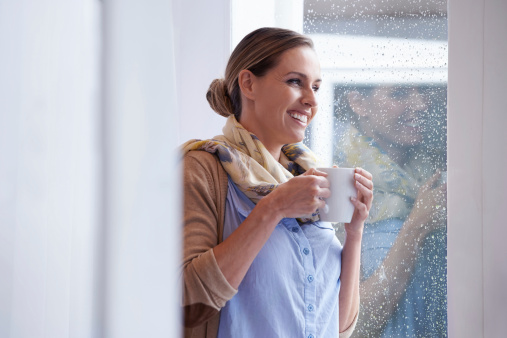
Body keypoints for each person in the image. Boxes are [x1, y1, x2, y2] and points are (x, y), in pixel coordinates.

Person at [180, 27, 374, 338]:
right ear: (248, 83)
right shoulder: (202, 169)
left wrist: (354, 231)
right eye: (295, 82)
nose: (311, 100)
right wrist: (274, 207)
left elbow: (339, 326)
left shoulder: (306, 179)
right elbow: (188, 302)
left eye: (316, 87)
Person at [334, 85, 447, 337]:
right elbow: (351, 327)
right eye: (399, 93)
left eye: (423, 91)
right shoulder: (338, 182)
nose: (421, 105)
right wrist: (417, 225)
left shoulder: (438, 174)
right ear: (358, 103)